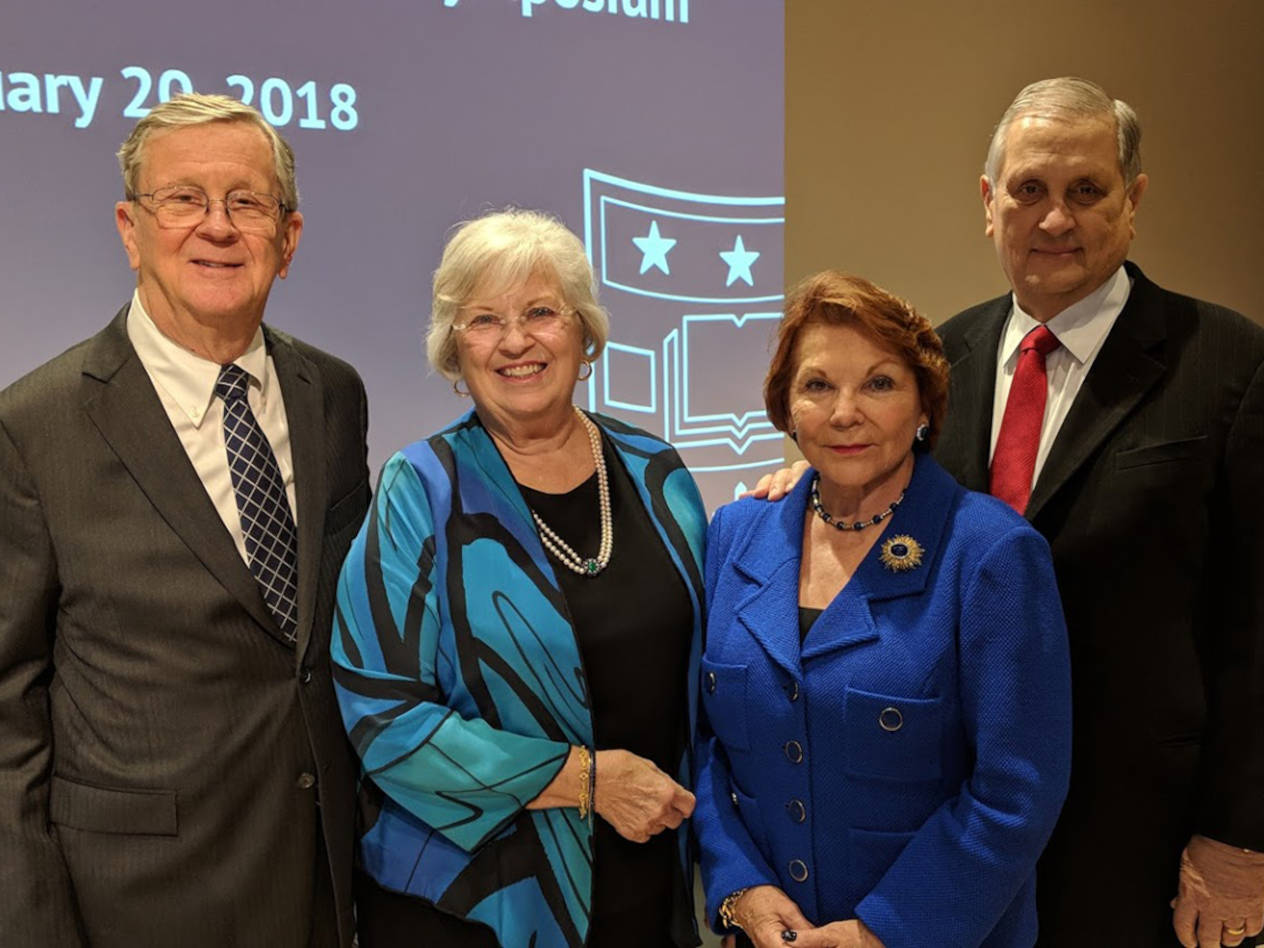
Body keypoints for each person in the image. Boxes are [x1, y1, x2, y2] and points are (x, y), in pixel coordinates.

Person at [0, 94, 368, 947]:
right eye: (183, 200)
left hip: (324, 884)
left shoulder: (334, 395)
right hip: (136, 903)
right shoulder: (33, 427)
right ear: (131, 229)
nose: (217, 227)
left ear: (290, 237)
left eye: (246, 202)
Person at [934, 77, 1264, 948]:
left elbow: (1258, 623)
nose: (1055, 220)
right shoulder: (936, 358)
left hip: (1142, 845)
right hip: (957, 827)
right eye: (1030, 190)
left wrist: (1241, 841)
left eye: (1087, 191)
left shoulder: (1231, 363)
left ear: (1134, 199)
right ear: (988, 201)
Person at [332, 208, 708, 948]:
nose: (515, 341)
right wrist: (586, 781)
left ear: (583, 332)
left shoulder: (656, 471)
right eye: (484, 320)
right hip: (475, 907)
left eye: (541, 312)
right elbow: (381, 714)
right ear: (454, 350)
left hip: (651, 886)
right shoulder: (422, 487)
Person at [695, 271, 1071, 948]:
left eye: (879, 383)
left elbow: (1017, 792)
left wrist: (881, 932)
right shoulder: (733, 535)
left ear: (925, 404)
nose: (845, 412)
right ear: (783, 406)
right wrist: (740, 888)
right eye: (816, 386)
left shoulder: (991, 553)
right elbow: (704, 745)